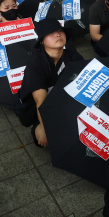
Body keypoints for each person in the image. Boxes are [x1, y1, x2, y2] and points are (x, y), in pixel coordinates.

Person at [18, 19, 83, 147]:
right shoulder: (36, 63)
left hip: (66, 101)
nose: (58, 34)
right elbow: (40, 100)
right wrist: (46, 128)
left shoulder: (72, 55)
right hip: (40, 107)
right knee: (46, 138)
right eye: (51, 33)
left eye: (60, 31)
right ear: (42, 41)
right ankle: (38, 127)